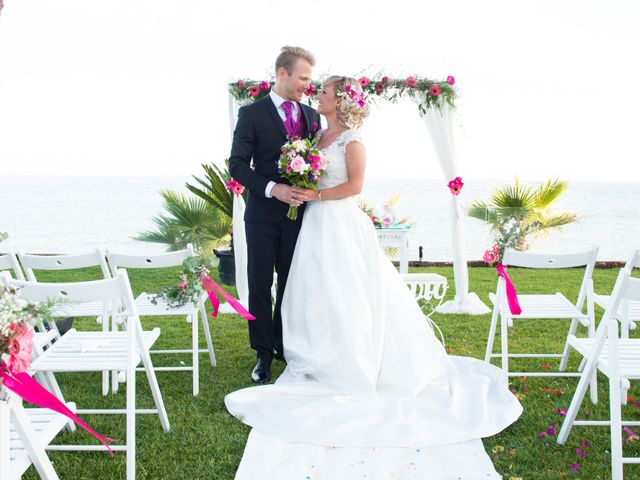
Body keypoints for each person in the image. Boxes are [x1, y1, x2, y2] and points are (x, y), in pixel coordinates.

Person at [226, 76, 522, 450]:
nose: (317, 94)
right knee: (312, 290)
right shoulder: (316, 135)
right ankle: (309, 350)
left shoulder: (353, 139)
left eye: (325, 92)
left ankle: (349, 356)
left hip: (339, 223)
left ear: (341, 100)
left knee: (346, 290)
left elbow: (355, 186)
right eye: (315, 89)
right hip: (312, 222)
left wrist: (314, 192)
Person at [229, 46, 321, 384]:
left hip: (300, 217)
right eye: (302, 78)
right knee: (259, 283)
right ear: (282, 73)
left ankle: (284, 344)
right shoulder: (251, 114)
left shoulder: (313, 117)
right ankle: (262, 354)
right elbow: (237, 166)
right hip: (262, 216)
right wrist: (272, 188)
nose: (306, 86)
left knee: (291, 283)